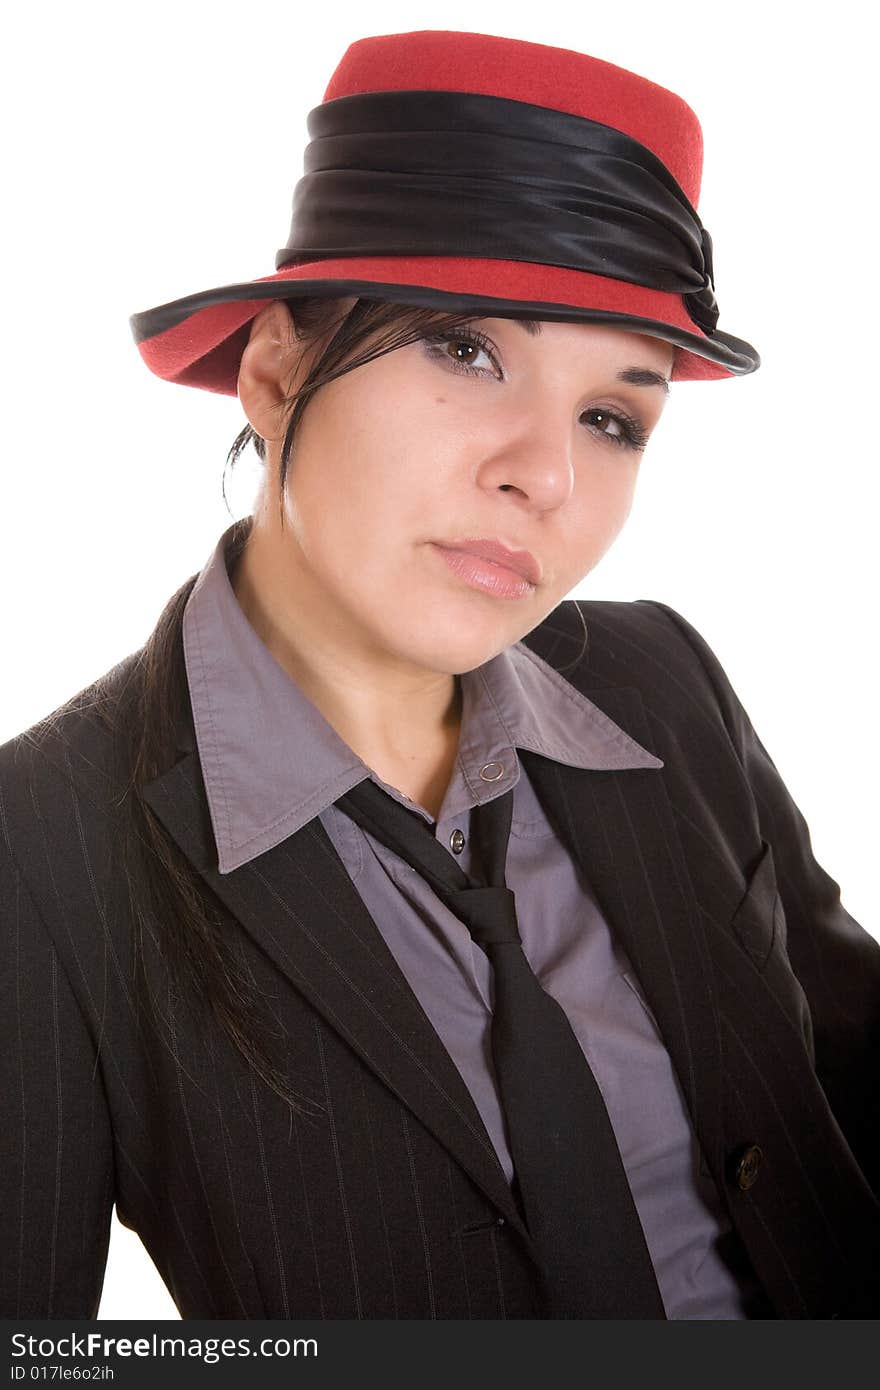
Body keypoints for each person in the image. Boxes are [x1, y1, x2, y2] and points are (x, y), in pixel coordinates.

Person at [1, 28, 877, 1321]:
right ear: (275, 367)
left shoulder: (663, 680)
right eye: (468, 349)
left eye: (611, 416)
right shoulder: (42, 849)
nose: (547, 476)